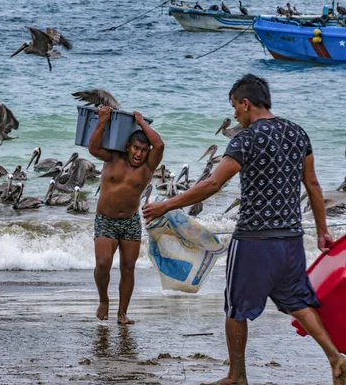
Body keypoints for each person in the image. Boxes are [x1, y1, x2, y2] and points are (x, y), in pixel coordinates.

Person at [143, 74, 346, 384]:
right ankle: (335, 360)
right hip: (291, 239)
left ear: (246, 103)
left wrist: (166, 206)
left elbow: (213, 183)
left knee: (236, 305)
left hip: (254, 239)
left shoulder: (246, 139)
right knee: (297, 301)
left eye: (235, 106)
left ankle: (237, 376)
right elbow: (313, 185)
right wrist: (322, 230)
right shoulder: (297, 132)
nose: (235, 113)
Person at [88, 106, 164, 324]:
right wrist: (103, 120)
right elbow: (93, 148)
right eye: (135, 148)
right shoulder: (113, 157)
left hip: (130, 221)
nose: (139, 154)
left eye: (143, 149)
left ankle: (122, 313)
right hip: (105, 219)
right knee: (103, 263)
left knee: (128, 267)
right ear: (128, 147)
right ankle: (104, 300)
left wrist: (141, 122)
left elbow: (159, 144)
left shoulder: (148, 167)